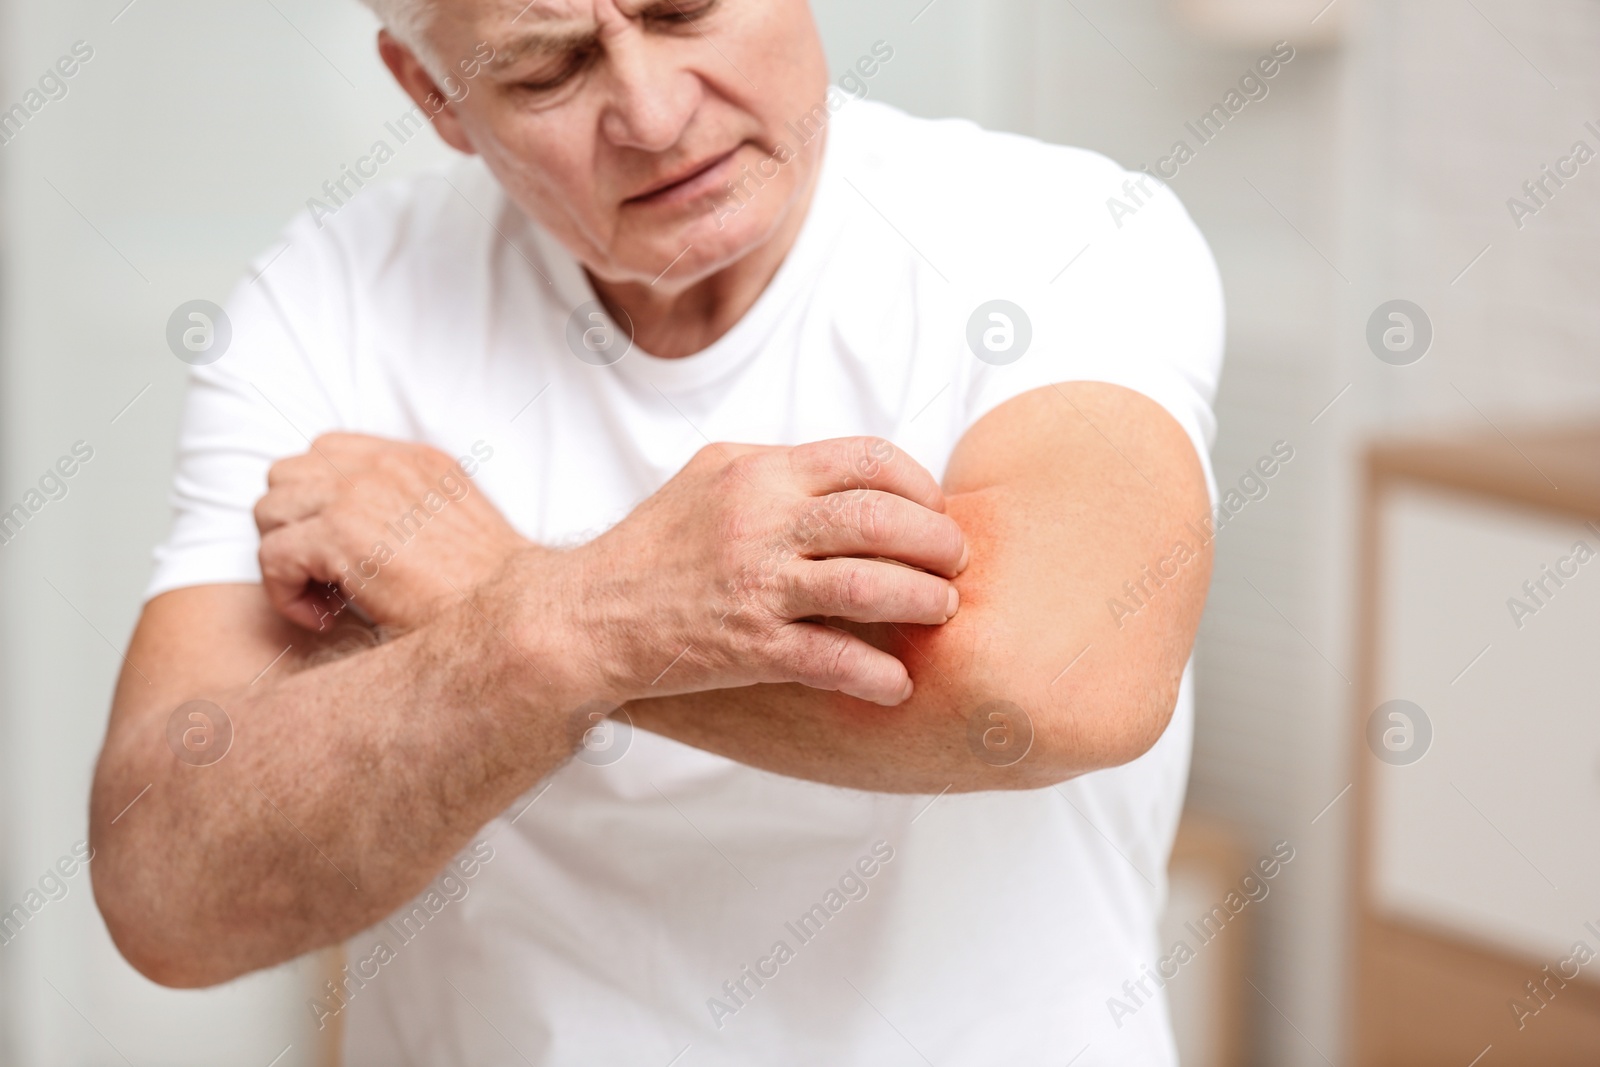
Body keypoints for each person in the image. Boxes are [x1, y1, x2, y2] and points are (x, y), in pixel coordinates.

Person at [89, 1, 1223, 1063]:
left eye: (682, 6)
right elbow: (163, 885)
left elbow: (1053, 680)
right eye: (549, 66)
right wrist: (571, 624)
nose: (655, 113)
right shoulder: (333, 295)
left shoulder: (1064, 232)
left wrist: (525, 602)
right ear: (434, 94)